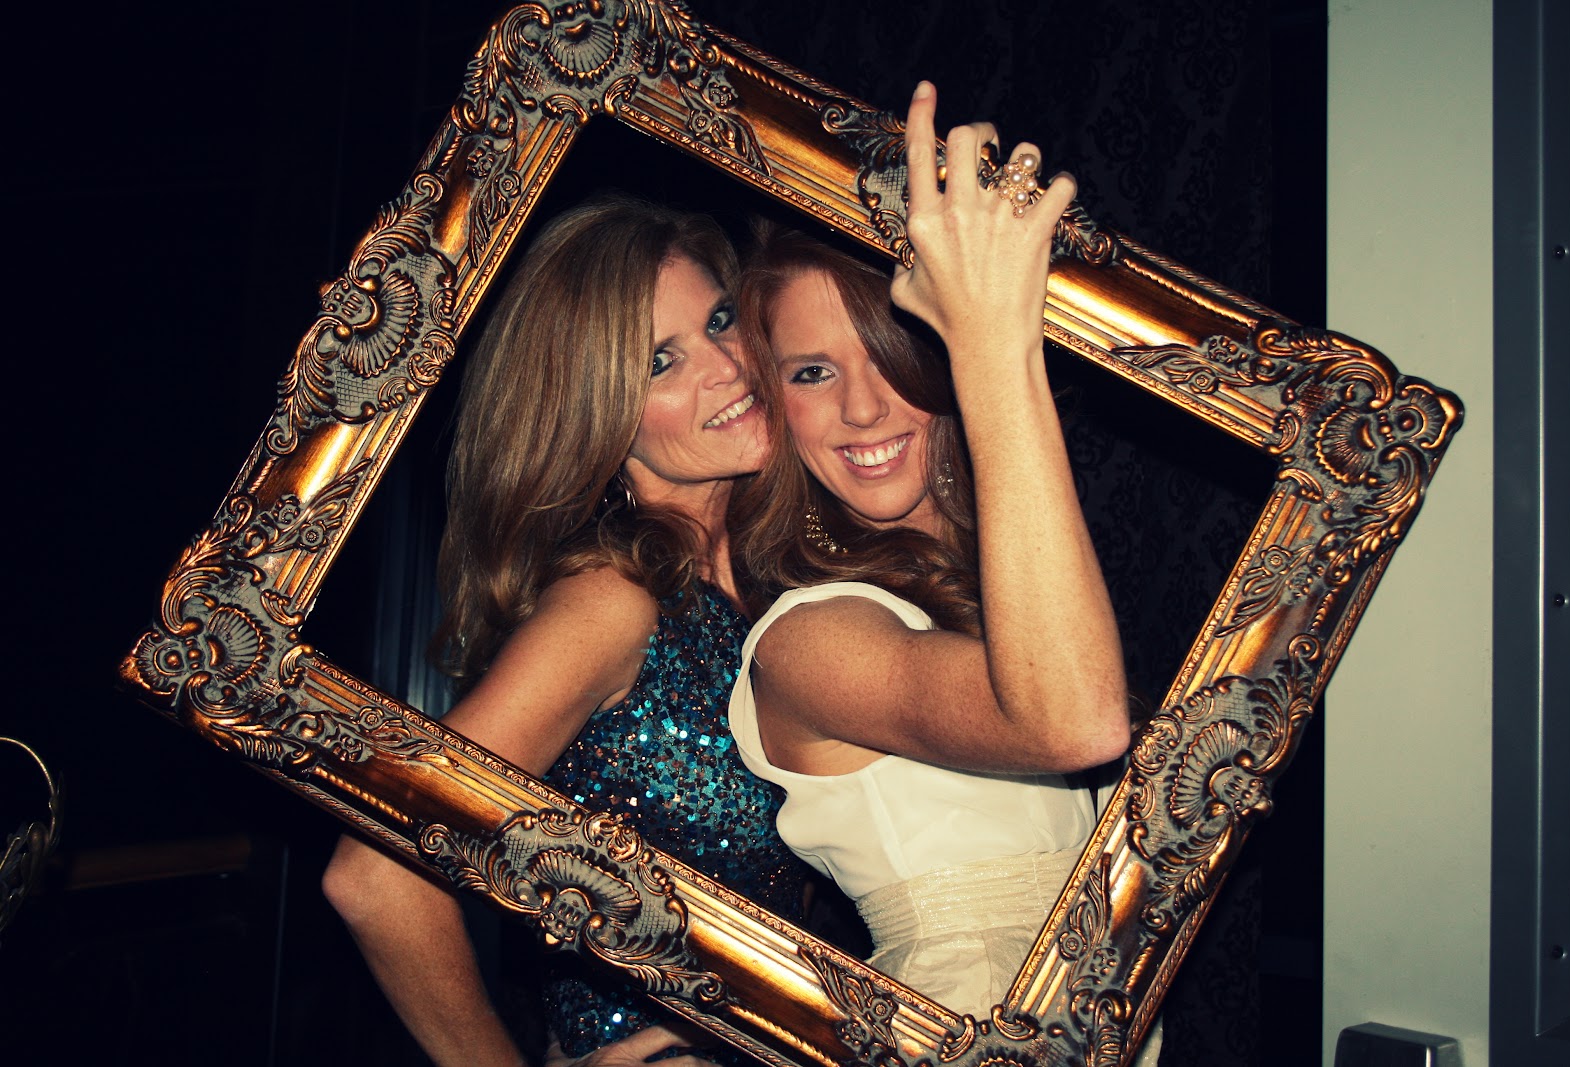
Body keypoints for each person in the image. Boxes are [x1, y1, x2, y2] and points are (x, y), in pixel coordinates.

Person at [322, 196, 808, 1067]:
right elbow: (374, 874)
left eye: (719, 321)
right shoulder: (614, 601)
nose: (728, 368)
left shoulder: (768, 591)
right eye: (661, 361)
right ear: (602, 413)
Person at [728, 83, 1159, 1062]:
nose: (863, 408)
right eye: (810, 372)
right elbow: (1075, 722)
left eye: (887, 353)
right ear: (776, 407)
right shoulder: (807, 638)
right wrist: (993, 342)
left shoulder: (1002, 590)